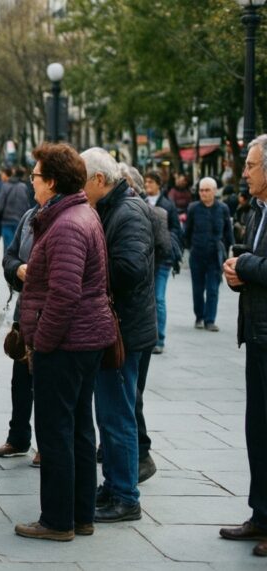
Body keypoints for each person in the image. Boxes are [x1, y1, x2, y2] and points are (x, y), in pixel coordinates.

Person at [12, 143, 116, 542]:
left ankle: (58, 519)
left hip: (68, 343)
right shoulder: (77, 214)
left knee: (56, 431)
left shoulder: (68, 223)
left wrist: (43, 341)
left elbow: (65, 293)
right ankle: (81, 513)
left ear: (51, 181)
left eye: (35, 176)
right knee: (78, 429)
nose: (31, 182)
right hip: (83, 339)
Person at [80, 146, 156, 523]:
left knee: (118, 414)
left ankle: (126, 495)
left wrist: (89, 266)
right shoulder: (111, 208)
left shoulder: (128, 212)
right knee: (110, 414)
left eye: (82, 180)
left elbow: (130, 269)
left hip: (125, 331)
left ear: (98, 180)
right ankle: (113, 485)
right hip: (115, 327)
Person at [222, 134, 267, 558]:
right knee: (257, 429)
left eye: (251, 166)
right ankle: (261, 513)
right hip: (256, 332)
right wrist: (237, 270)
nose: (245, 172)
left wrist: (247, 265)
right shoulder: (257, 210)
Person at [0, 202, 39, 465]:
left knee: (47, 383)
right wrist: (17, 268)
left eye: (37, 176)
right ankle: (19, 437)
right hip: (26, 309)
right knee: (20, 380)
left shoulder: (69, 215)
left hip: (53, 312)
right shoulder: (30, 215)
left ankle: (47, 443)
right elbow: (9, 256)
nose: (32, 182)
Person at [185, 177, 234, 333]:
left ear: (214, 191)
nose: (203, 193)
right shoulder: (193, 208)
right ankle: (199, 316)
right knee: (198, 289)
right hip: (198, 253)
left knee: (213, 289)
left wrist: (228, 249)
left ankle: (210, 320)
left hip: (215, 255)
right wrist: (189, 247)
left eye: (207, 190)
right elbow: (187, 231)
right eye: (201, 190)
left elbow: (228, 231)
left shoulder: (223, 209)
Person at [144, 172, 182, 354]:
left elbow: (176, 228)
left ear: (158, 184)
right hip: (147, 257)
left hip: (163, 257)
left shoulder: (167, 204)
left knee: (158, 298)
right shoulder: (141, 202)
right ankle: (149, 336)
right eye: (146, 182)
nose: (147, 185)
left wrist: (170, 240)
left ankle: (160, 339)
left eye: (150, 182)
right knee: (148, 298)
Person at [0, 167, 30, 247]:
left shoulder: (5, 186)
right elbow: (27, 205)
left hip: (7, 221)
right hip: (20, 222)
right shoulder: (23, 187)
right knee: (18, 249)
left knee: (8, 249)